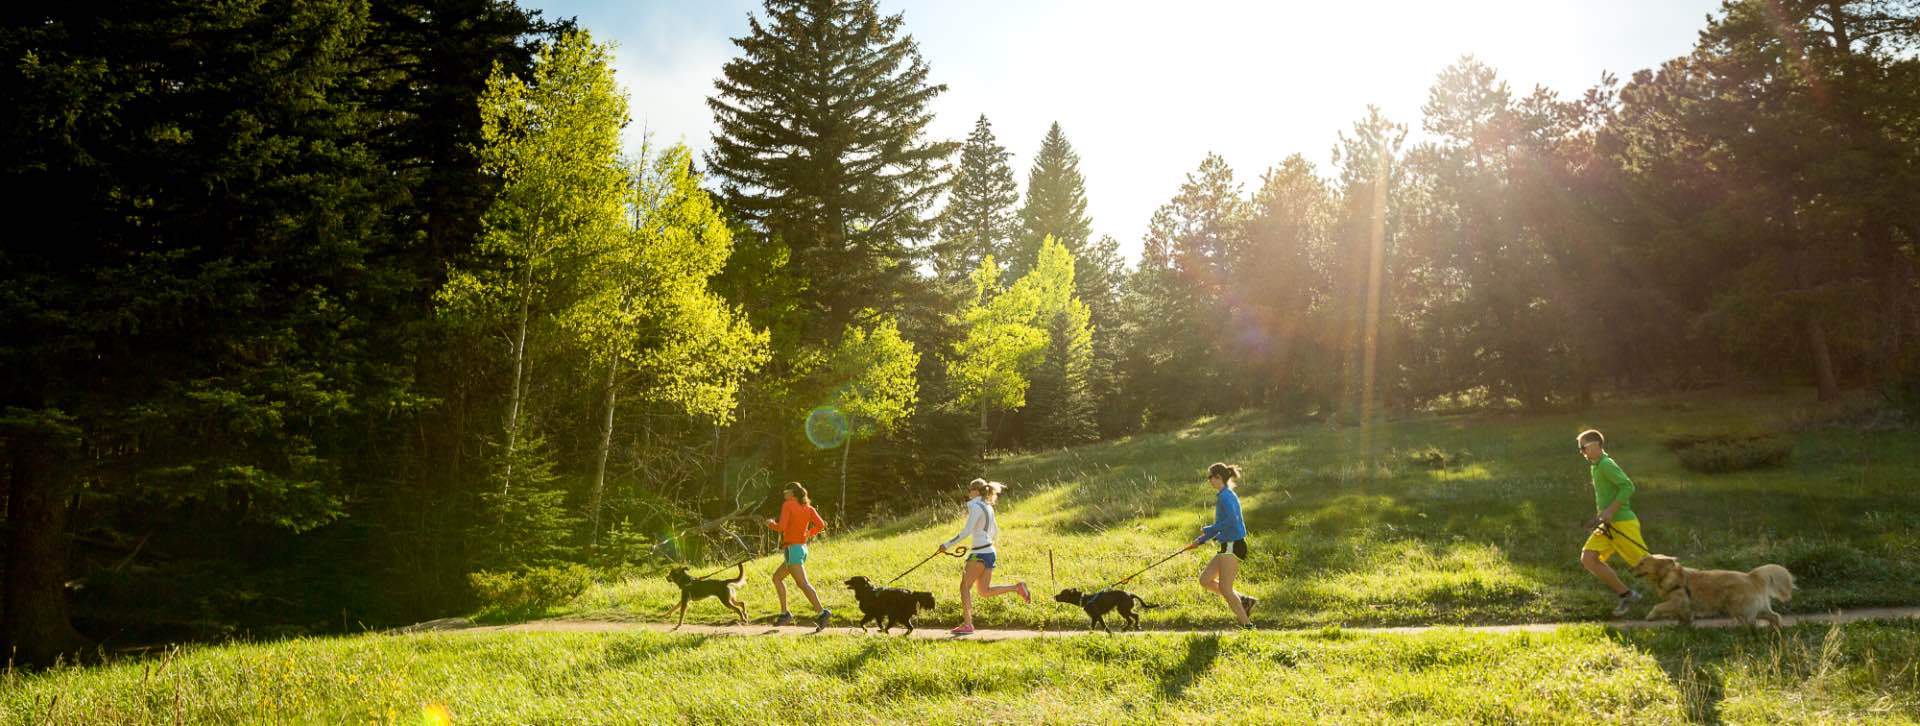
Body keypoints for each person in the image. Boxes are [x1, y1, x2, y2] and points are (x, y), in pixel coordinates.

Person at [937, 478, 1030, 635]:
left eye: (969, 489)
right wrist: (983, 542)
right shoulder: (988, 506)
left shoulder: (974, 505)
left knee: (964, 587)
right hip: (989, 551)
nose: (968, 493)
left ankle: (968, 625)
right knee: (984, 591)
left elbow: (966, 531)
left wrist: (946, 545)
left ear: (975, 491)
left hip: (979, 553)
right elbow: (995, 532)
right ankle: (1017, 587)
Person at [1577, 429, 1647, 617]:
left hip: (1623, 522)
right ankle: (1627, 594)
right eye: (1580, 449)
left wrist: (1610, 510)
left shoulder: (1606, 464)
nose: (1582, 452)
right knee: (1588, 558)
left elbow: (1628, 486)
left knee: (1647, 566)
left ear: (1597, 445)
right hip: (1608, 525)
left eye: (1584, 448)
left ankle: (1682, 593)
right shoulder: (1596, 466)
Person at [1186, 462, 1255, 630]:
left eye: (1210, 477)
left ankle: (1247, 626)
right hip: (1227, 545)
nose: (1209, 480)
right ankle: (1244, 600)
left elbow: (1232, 521)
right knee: (1205, 580)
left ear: (1219, 478)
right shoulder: (1224, 495)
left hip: (1233, 545)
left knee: (1225, 588)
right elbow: (1221, 525)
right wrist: (1200, 540)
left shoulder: (1226, 497)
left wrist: (1210, 529)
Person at [765, 482, 830, 630]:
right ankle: (784, 613)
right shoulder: (808, 507)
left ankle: (822, 612)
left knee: (803, 584)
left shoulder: (788, 504)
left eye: (785, 492)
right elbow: (821, 525)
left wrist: (770, 523)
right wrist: (808, 534)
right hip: (801, 548)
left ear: (792, 493)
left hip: (793, 549)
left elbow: (781, 527)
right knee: (777, 578)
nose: (784, 495)